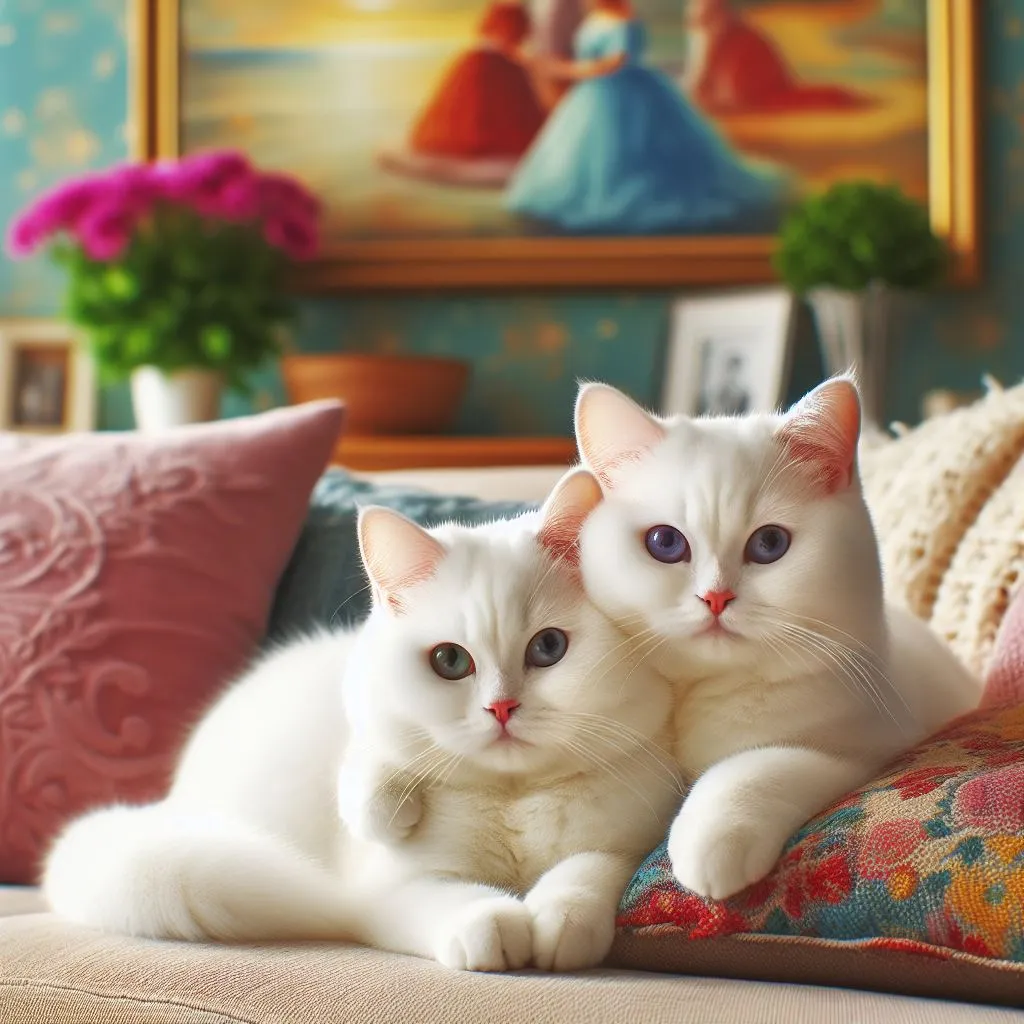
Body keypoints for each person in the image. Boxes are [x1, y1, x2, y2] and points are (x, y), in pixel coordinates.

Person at [506, 0, 785, 234]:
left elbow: (614, 64)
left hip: (626, 93)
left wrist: (563, 70)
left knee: (630, 151)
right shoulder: (594, 19)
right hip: (593, 97)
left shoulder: (626, 22)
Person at [378, 1, 547, 188]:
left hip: (494, 58)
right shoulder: (516, 8)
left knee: (487, 107)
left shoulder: (518, 7)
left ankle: (485, 145)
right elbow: (504, 38)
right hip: (493, 59)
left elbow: (505, 36)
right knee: (481, 105)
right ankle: (477, 145)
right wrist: (525, 57)